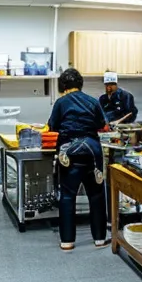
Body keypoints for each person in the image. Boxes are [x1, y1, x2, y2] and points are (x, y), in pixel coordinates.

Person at [47, 69, 110, 250]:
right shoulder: (93, 101)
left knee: (67, 196)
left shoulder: (61, 102)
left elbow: (52, 126)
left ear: (63, 85)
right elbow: (101, 125)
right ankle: (99, 238)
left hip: (70, 154)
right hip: (92, 153)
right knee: (96, 196)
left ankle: (67, 241)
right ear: (80, 84)